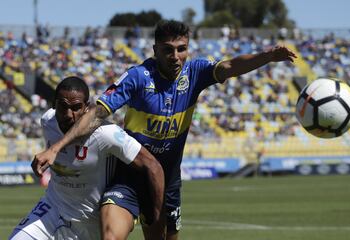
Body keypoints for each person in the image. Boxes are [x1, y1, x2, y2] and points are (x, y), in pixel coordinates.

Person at [33, 20, 297, 240]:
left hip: (168, 182)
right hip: (130, 177)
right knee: (110, 237)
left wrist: (268, 57)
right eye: (168, 50)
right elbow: (97, 111)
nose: (175, 57)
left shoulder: (196, 73)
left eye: (182, 49)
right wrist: (55, 147)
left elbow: (228, 67)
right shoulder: (137, 77)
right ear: (155, 50)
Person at [10, 76, 164, 240]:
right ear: (54, 104)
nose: (69, 114)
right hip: (53, 209)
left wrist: (158, 217)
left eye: (76, 108)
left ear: (87, 109)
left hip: (91, 221)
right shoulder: (47, 121)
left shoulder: (106, 134)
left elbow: (152, 165)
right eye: (63, 106)